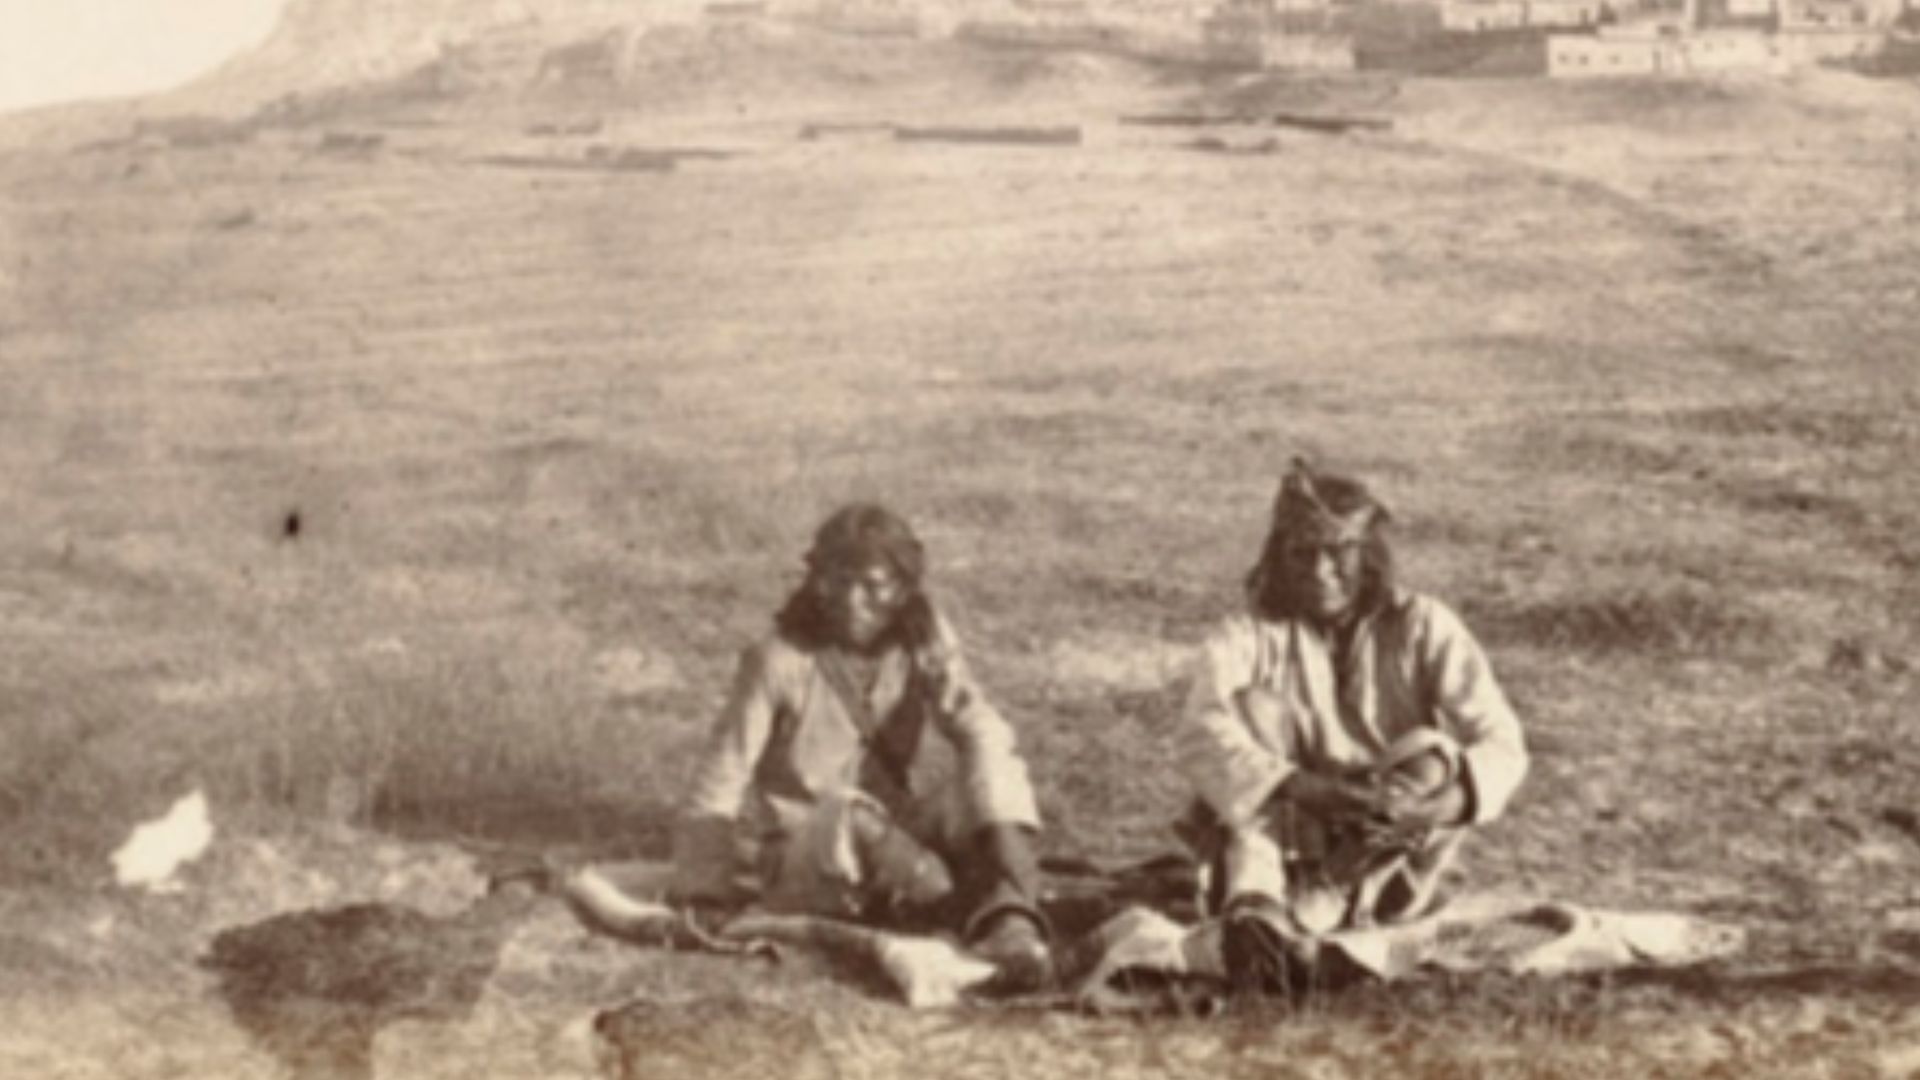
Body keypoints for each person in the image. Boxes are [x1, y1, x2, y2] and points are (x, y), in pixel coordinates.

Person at [1171, 461, 1528, 989]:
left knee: (1432, 752)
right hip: (1286, 831)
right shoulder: (1248, 635)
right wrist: (1306, 787)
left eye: (1338, 552)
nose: (1320, 572)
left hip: (1386, 843)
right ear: (1279, 558)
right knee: (1252, 734)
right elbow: (1203, 731)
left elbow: (1501, 740)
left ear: (1370, 556)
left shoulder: (1424, 624)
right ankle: (1262, 919)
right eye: (1302, 554)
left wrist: (1431, 808)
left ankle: (1325, 912)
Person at [671, 503, 1053, 991]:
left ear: (903, 588)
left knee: (996, 762)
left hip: (895, 835)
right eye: (838, 581)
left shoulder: (921, 638)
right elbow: (721, 776)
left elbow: (974, 719)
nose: (853, 601)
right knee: (849, 811)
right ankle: (967, 909)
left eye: (873, 587)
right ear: (817, 581)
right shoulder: (778, 659)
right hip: (809, 854)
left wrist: (991, 799)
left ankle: (1010, 919)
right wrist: (703, 889)